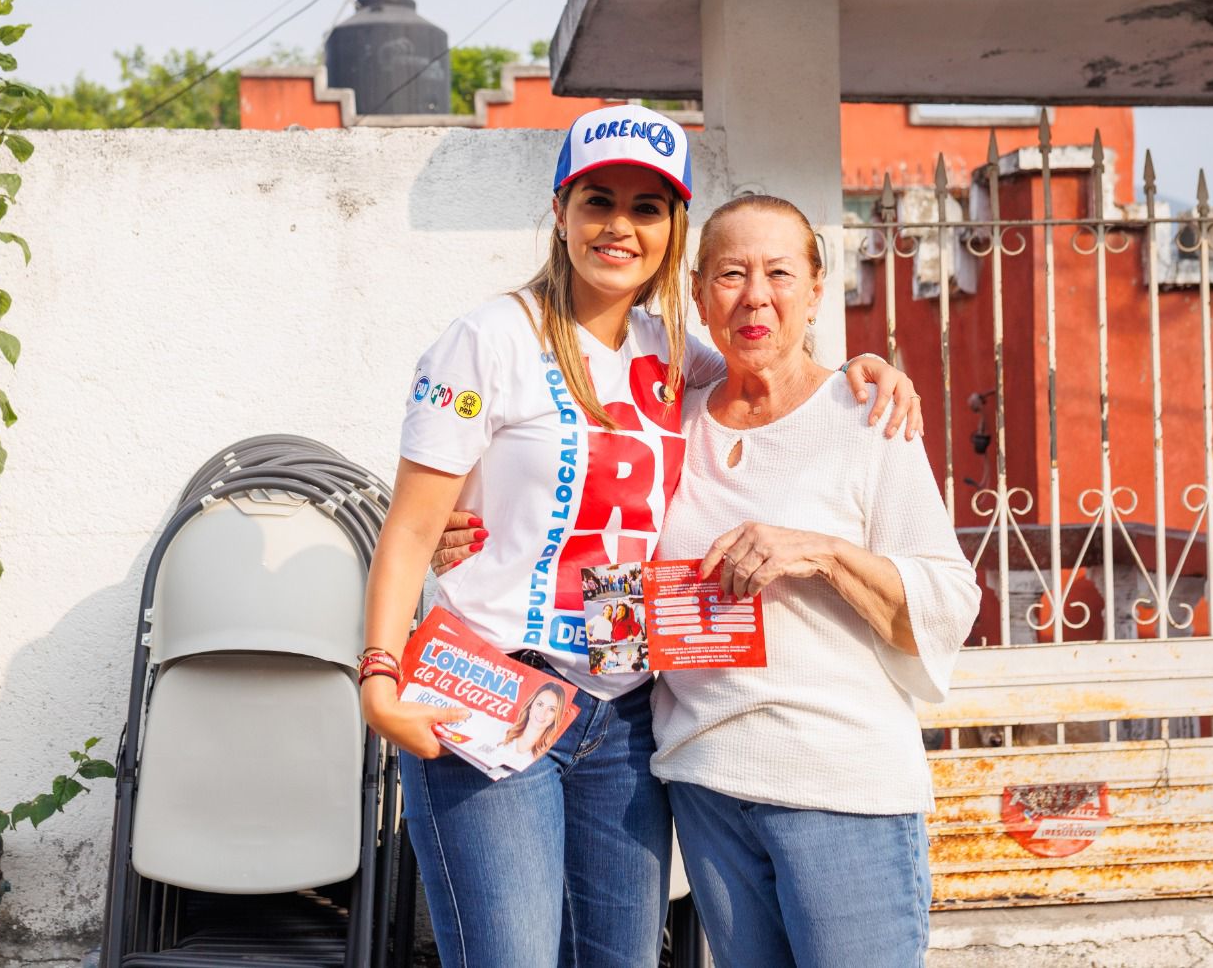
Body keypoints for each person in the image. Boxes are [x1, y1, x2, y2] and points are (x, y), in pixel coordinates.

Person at [358, 105, 921, 967]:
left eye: (646, 208)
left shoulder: (676, 356)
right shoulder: (488, 340)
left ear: (673, 229)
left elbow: (771, 369)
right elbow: (410, 529)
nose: (619, 226)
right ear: (561, 212)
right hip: (491, 685)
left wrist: (858, 372)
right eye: (598, 201)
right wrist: (378, 677)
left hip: (621, 715)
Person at [652, 195, 981, 967]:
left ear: (816, 290)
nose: (755, 295)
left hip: (841, 789)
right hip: (707, 784)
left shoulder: (866, 414)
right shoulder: (673, 422)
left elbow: (947, 601)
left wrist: (824, 554)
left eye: (778, 272)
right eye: (731, 273)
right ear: (700, 295)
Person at [498, 681, 567, 764]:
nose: (543, 712)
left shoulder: (548, 755)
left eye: (552, 709)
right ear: (531, 706)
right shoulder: (501, 729)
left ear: (556, 717)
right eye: (540, 704)